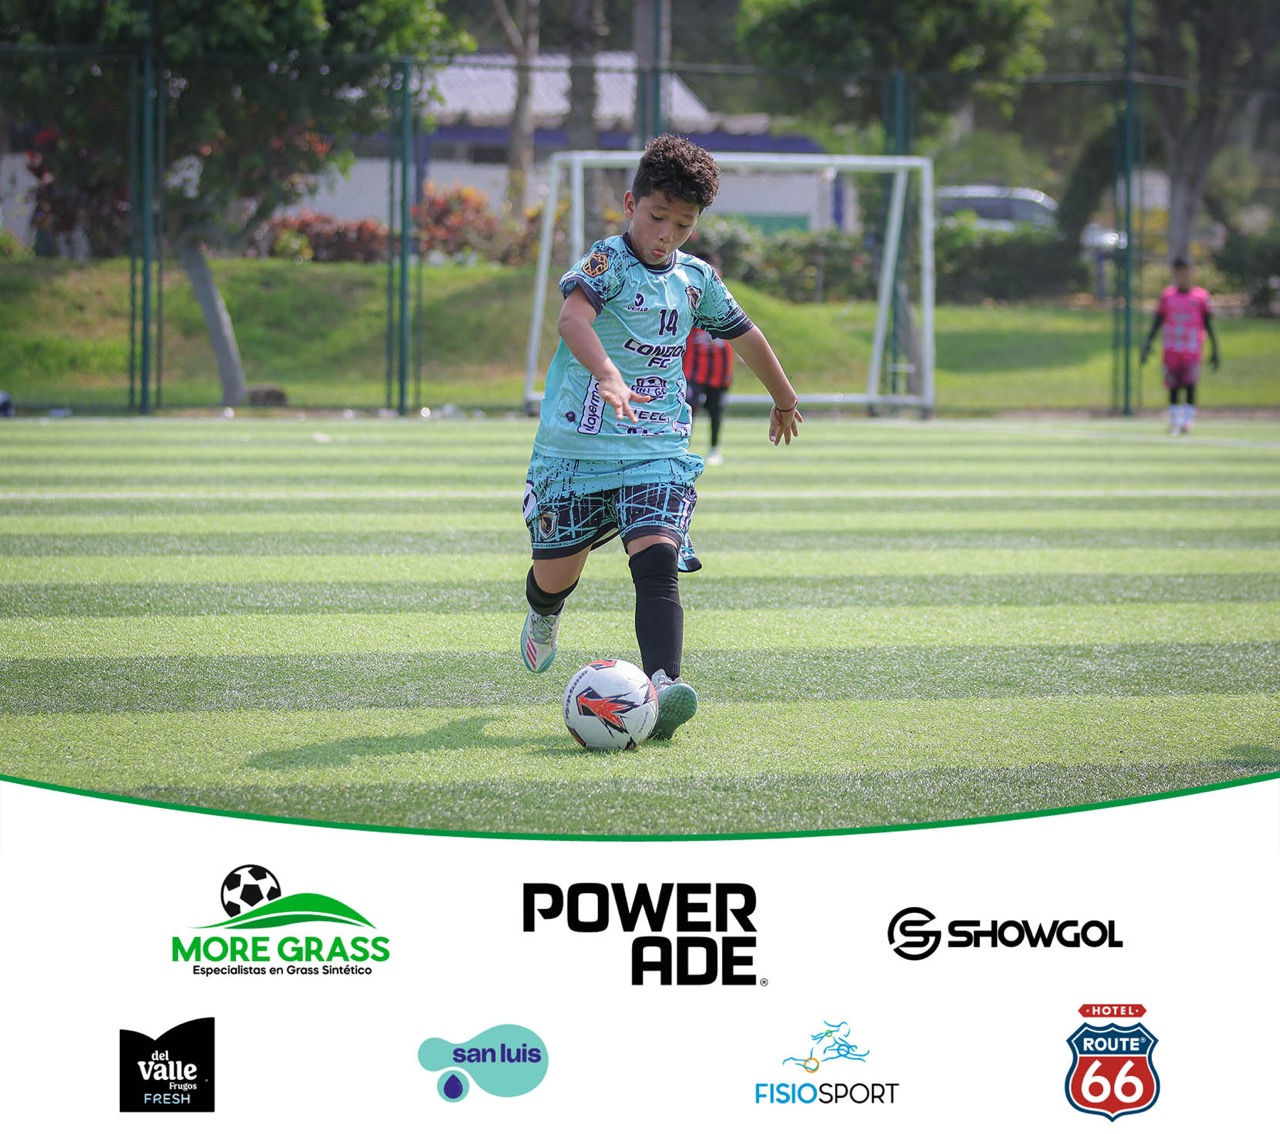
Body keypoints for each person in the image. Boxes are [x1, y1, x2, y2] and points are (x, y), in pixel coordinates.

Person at [519, 133, 802, 740]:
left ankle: (664, 685)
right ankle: (545, 612)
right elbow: (571, 319)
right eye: (656, 217)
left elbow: (745, 334)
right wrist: (608, 374)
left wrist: (784, 397)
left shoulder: (696, 280)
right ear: (630, 203)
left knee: (657, 558)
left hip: (657, 448)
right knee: (553, 574)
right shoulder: (606, 264)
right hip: (577, 448)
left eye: (683, 224)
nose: (666, 234)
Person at [1140, 258, 1219, 435]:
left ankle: (1188, 422)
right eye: (1179, 273)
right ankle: (1175, 421)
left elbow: (1208, 323)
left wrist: (1215, 348)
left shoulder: (1200, 297)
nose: (1183, 277)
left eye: (1186, 273)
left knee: (1190, 385)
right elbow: (1158, 321)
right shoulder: (1167, 296)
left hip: (1191, 349)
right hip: (1172, 349)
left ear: (1192, 274)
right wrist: (1148, 343)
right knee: (1173, 387)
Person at [683, 251, 735, 466]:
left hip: (720, 370)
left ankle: (714, 448)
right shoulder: (685, 296)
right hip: (693, 369)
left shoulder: (728, 299)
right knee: (688, 407)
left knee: (716, 411)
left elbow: (741, 331)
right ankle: (683, 448)